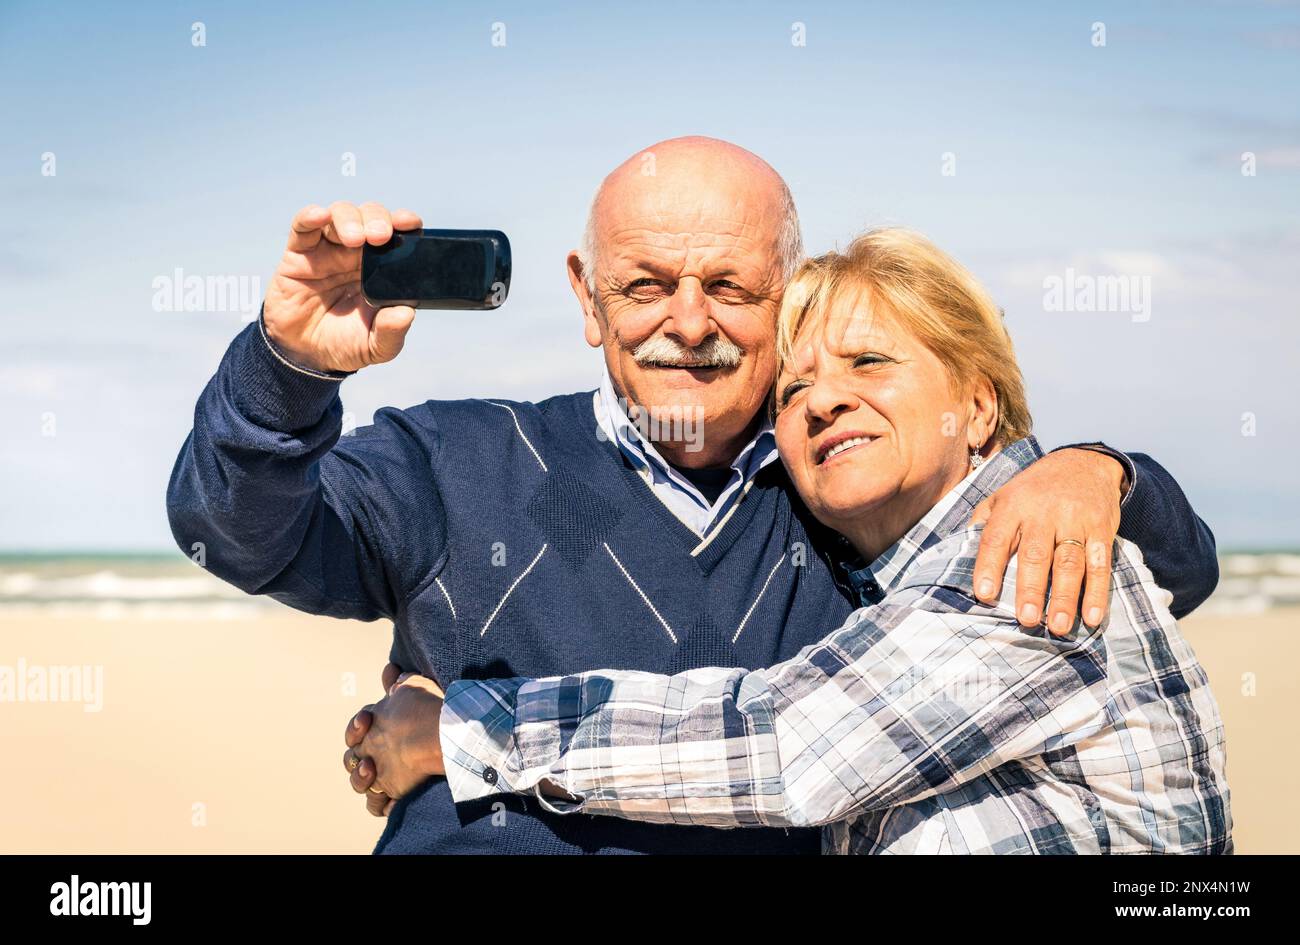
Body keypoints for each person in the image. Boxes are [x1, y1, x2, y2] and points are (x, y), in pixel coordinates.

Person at [168, 137, 1218, 855]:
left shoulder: (849, 501)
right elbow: (236, 537)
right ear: (586, 295)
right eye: (643, 284)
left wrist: (1098, 473)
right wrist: (288, 370)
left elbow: (1167, 575)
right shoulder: (458, 458)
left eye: (728, 286)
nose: (686, 321)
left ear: (783, 290)